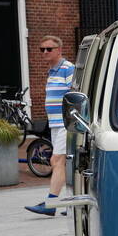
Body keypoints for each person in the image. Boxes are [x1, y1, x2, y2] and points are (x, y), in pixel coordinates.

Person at [25, 36, 75, 216]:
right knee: (67, 163)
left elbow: (75, 95)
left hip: (64, 123)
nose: (45, 52)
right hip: (55, 124)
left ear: (59, 50)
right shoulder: (51, 71)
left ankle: (51, 203)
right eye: (42, 49)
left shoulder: (67, 68)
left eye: (49, 49)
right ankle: (72, 204)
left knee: (57, 161)